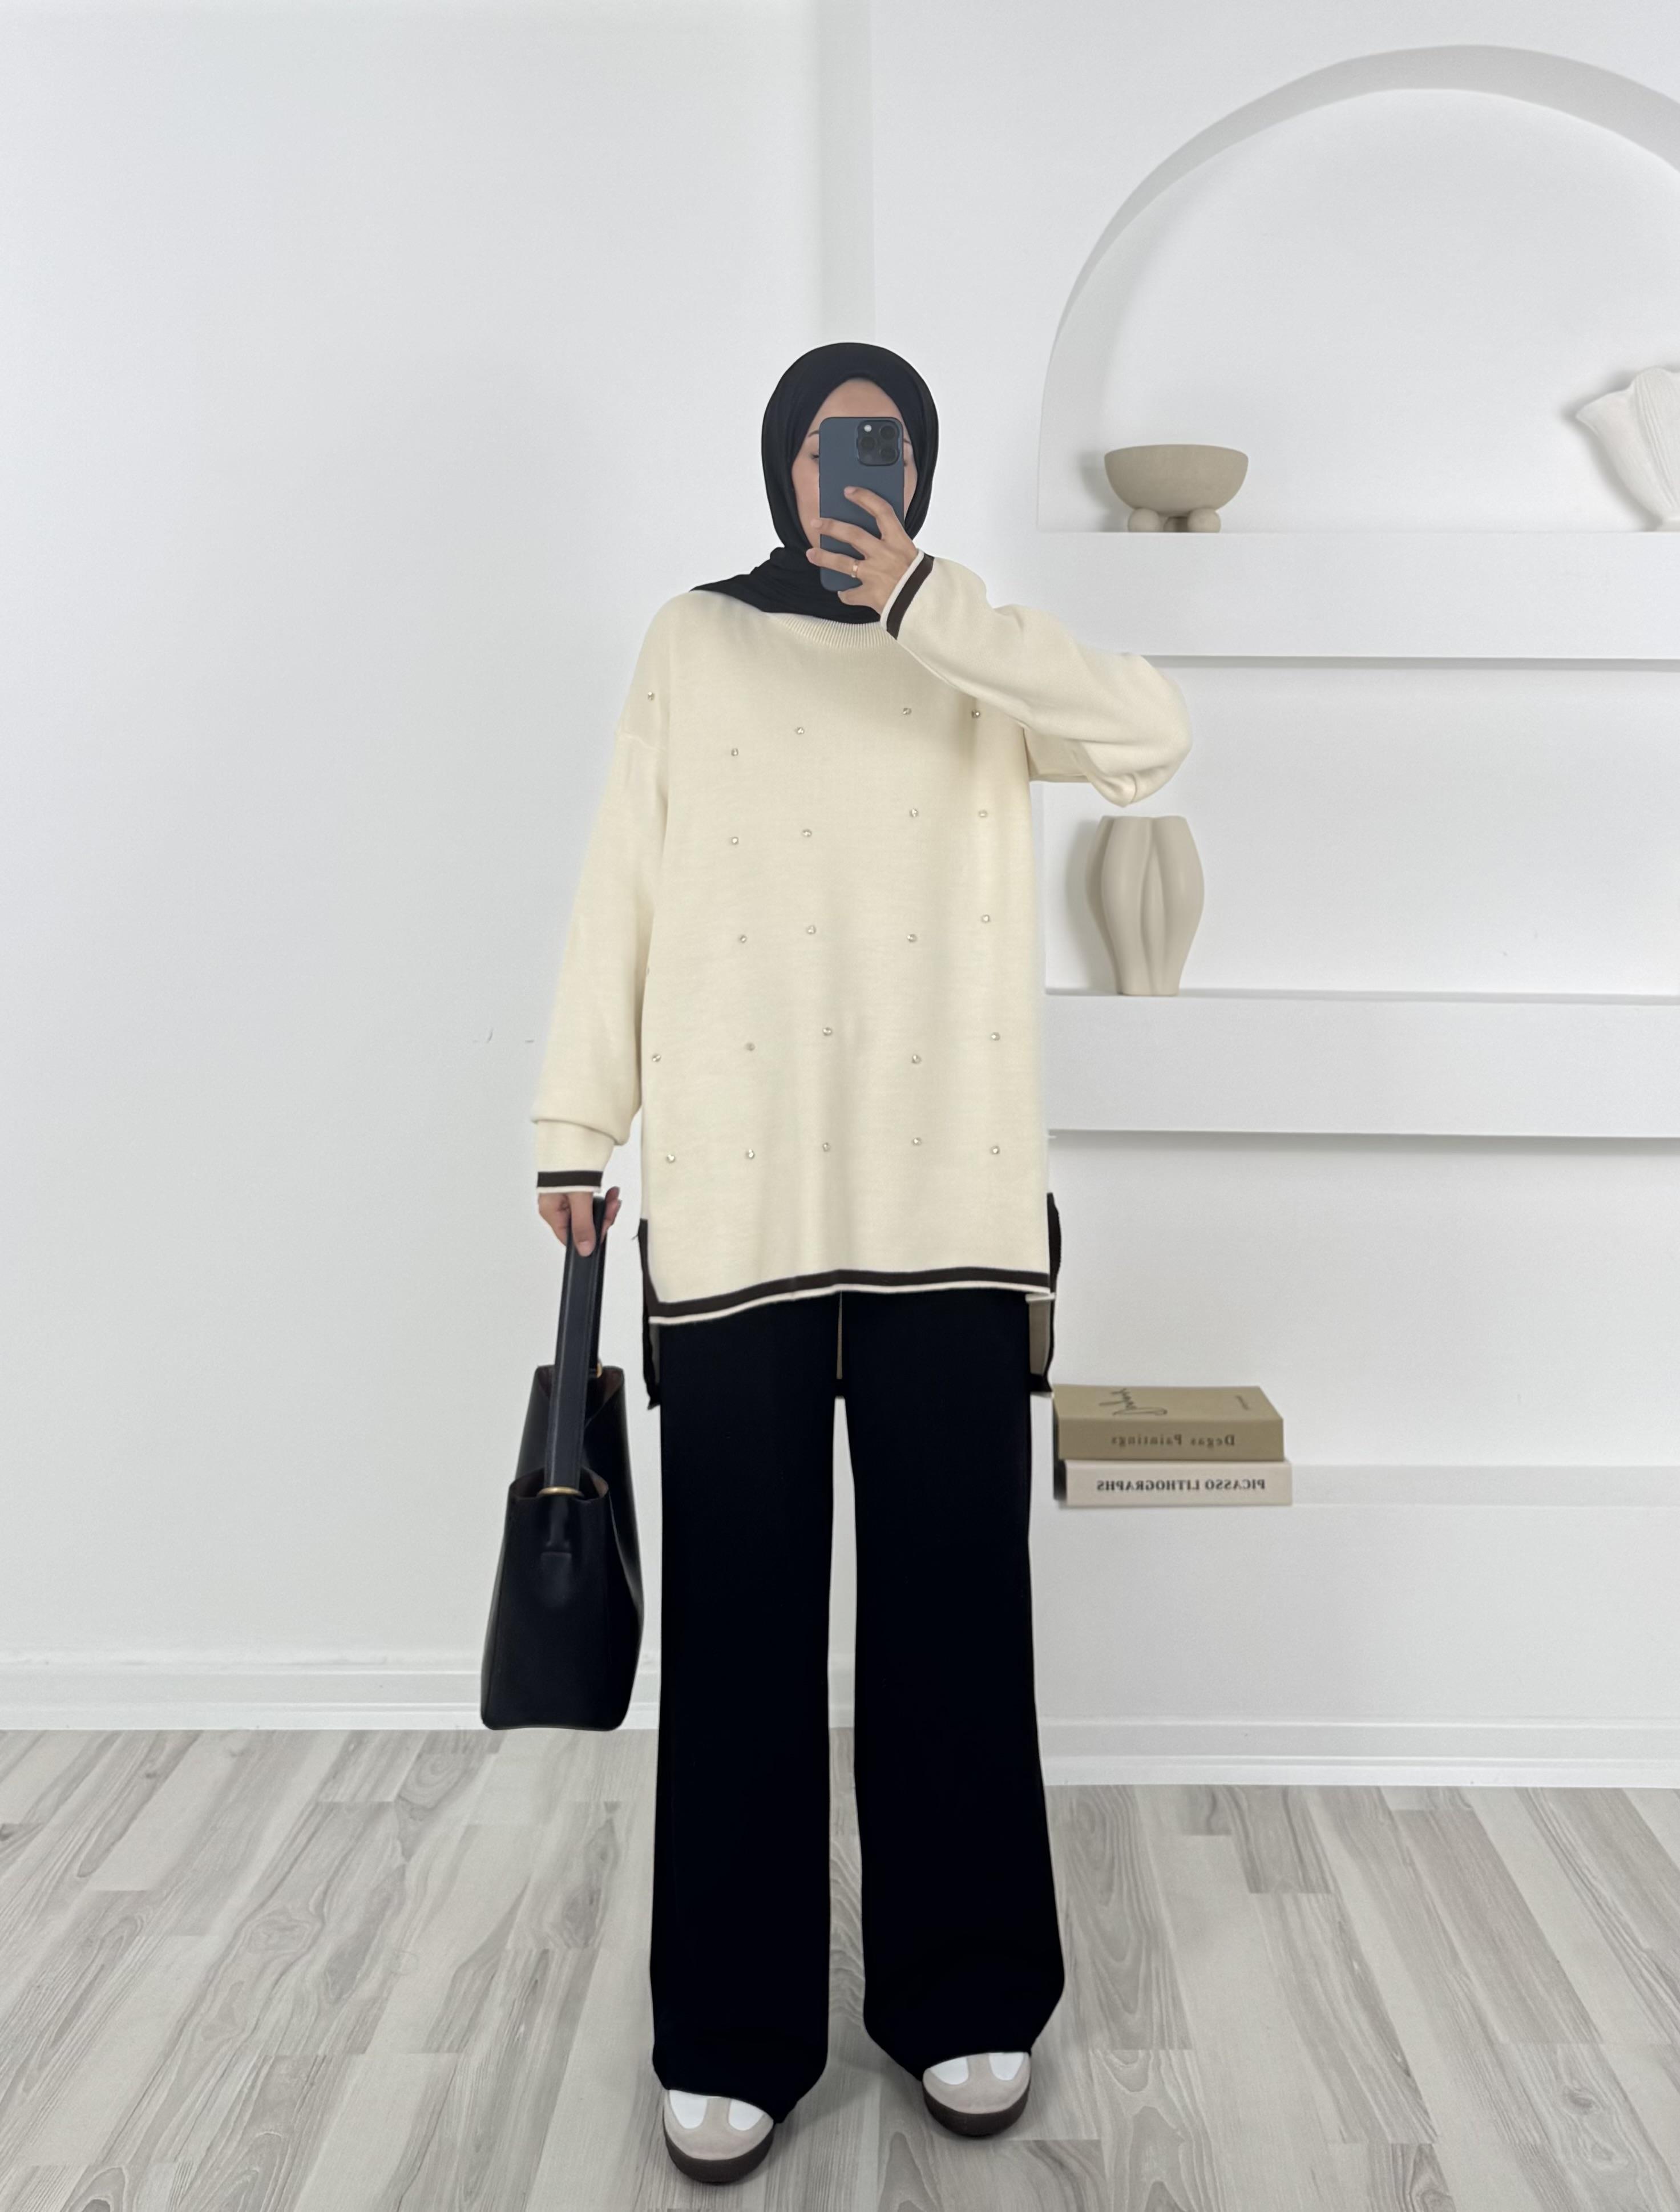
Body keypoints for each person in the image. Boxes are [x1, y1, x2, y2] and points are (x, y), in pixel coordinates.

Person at [530, 339, 1192, 2183]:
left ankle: (968, 1991)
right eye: (831, 444)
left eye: (889, 442)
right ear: (779, 463)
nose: (857, 470)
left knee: (955, 1610)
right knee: (740, 1623)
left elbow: (1151, 737)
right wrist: (575, 1122)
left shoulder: (974, 648)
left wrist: (927, 604)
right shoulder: (694, 642)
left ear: (922, 464)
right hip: (741, 1209)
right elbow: (622, 882)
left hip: (948, 1213)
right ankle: (731, 2029)